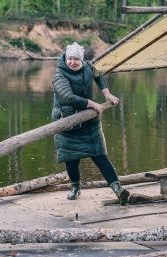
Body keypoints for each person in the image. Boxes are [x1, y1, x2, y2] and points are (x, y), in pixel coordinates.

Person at [51, 42, 130, 205]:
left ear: (82, 60)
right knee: (71, 157)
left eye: (76, 59)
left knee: (100, 155)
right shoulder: (59, 74)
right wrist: (92, 103)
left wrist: (107, 94)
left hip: (89, 120)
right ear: (65, 58)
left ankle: (118, 189)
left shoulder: (88, 67)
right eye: (69, 59)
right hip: (67, 122)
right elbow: (67, 97)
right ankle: (75, 187)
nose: (72, 62)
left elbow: (98, 76)